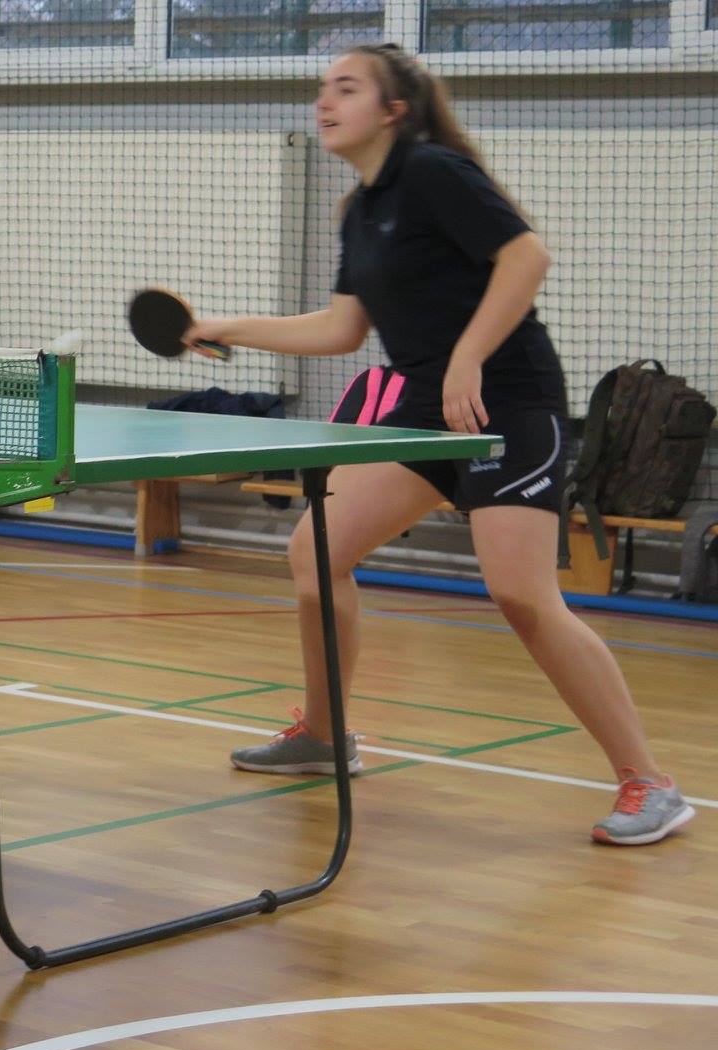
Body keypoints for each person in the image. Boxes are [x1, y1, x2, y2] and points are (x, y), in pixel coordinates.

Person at [186, 42, 691, 847]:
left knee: (523, 597)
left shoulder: (432, 172)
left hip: (507, 405)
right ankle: (324, 734)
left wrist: (468, 356)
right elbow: (342, 328)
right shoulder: (360, 209)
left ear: (393, 110)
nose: (325, 101)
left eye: (346, 88)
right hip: (428, 410)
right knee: (316, 550)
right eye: (323, 88)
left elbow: (526, 255)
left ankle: (650, 782)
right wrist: (226, 326)